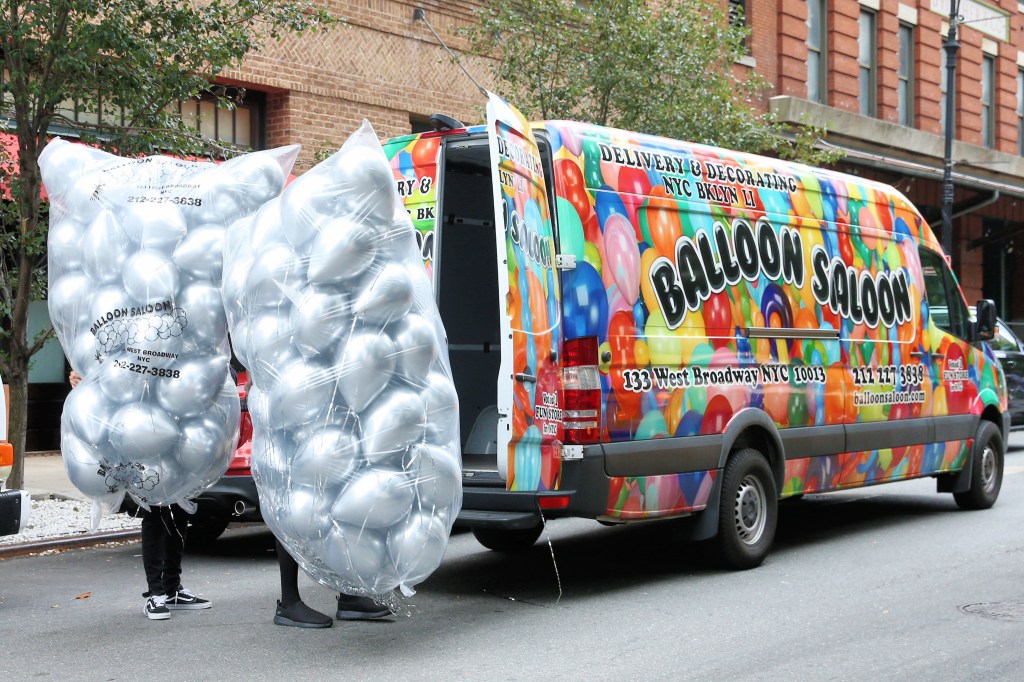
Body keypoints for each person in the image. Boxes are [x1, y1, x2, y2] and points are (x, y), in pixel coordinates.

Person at [70, 370, 212, 621]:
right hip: (140, 431)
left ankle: (171, 588)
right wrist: (87, 381)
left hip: (179, 427)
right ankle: (156, 593)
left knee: (179, 509)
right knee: (156, 511)